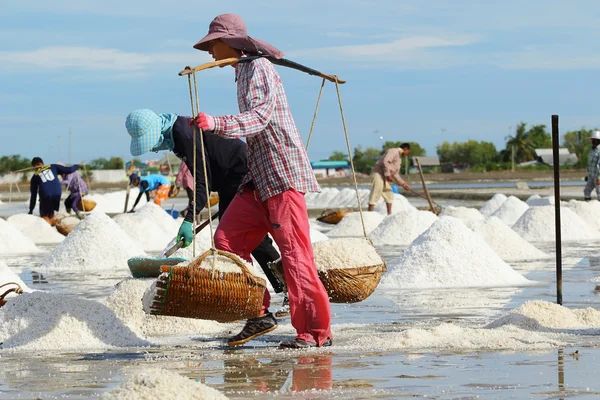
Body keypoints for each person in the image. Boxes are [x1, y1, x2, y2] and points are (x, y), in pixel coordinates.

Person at [191, 13, 332, 349]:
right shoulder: (241, 73)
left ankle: (314, 334)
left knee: (296, 257)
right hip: (258, 179)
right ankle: (259, 312)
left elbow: (259, 118)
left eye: (213, 44)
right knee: (227, 240)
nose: (210, 52)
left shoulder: (260, 69)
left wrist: (216, 123)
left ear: (232, 42)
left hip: (281, 175)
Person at [125, 109, 285, 343]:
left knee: (235, 238)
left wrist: (190, 218)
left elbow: (202, 180)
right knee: (252, 239)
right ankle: (271, 298)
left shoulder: (184, 134)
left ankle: (258, 309)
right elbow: (206, 176)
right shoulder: (178, 133)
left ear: (157, 130)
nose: (154, 147)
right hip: (230, 176)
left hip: (238, 172)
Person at [29, 157, 79, 224]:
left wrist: (31, 209)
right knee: (52, 213)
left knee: (45, 215)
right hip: (57, 193)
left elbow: (33, 194)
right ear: (43, 163)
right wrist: (77, 166)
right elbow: (69, 169)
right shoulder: (53, 166)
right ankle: (54, 224)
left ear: (34, 166)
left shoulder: (35, 176)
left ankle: (47, 227)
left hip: (45, 195)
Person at [368, 143, 411, 215]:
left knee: (389, 194)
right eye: (407, 152)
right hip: (378, 174)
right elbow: (385, 161)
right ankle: (369, 214)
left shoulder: (399, 159)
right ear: (406, 149)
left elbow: (395, 173)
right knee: (376, 192)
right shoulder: (394, 151)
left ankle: (389, 214)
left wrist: (403, 184)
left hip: (384, 176)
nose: (407, 154)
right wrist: (387, 174)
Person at [585, 131, 600, 201]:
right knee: (586, 191)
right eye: (592, 140)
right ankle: (588, 205)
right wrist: (588, 175)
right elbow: (590, 163)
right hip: (591, 175)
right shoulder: (592, 150)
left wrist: (599, 177)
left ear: (597, 140)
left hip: (598, 176)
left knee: (599, 193)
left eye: (594, 140)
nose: (592, 141)